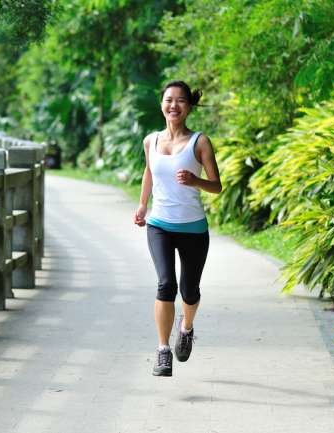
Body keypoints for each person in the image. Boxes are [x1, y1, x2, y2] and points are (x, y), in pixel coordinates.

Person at [134, 80, 222, 377]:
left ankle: (186, 328)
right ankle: (162, 351)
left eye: (180, 101)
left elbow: (217, 186)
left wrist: (196, 181)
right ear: (162, 104)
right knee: (165, 285)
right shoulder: (151, 141)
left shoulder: (200, 142)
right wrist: (142, 205)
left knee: (189, 289)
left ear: (188, 106)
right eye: (169, 100)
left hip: (193, 227)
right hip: (159, 224)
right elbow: (149, 171)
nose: (174, 105)